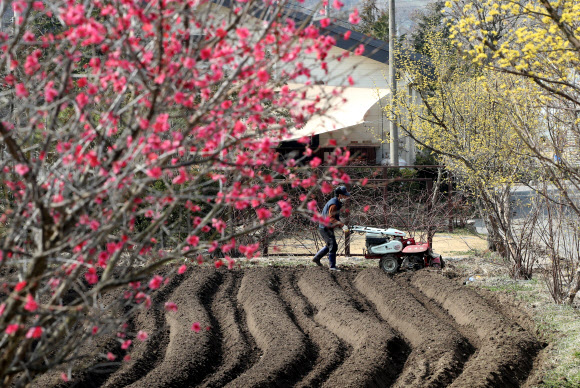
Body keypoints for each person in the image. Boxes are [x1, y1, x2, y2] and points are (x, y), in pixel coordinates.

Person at [312, 185, 350, 271]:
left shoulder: (337, 202)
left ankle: (317, 258)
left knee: (330, 244)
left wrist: (342, 226)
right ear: (340, 195)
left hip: (326, 226)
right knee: (333, 246)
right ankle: (332, 266)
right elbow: (331, 218)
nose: (346, 197)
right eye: (345, 195)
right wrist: (341, 225)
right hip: (324, 227)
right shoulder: (334, 204)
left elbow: (335, 217)